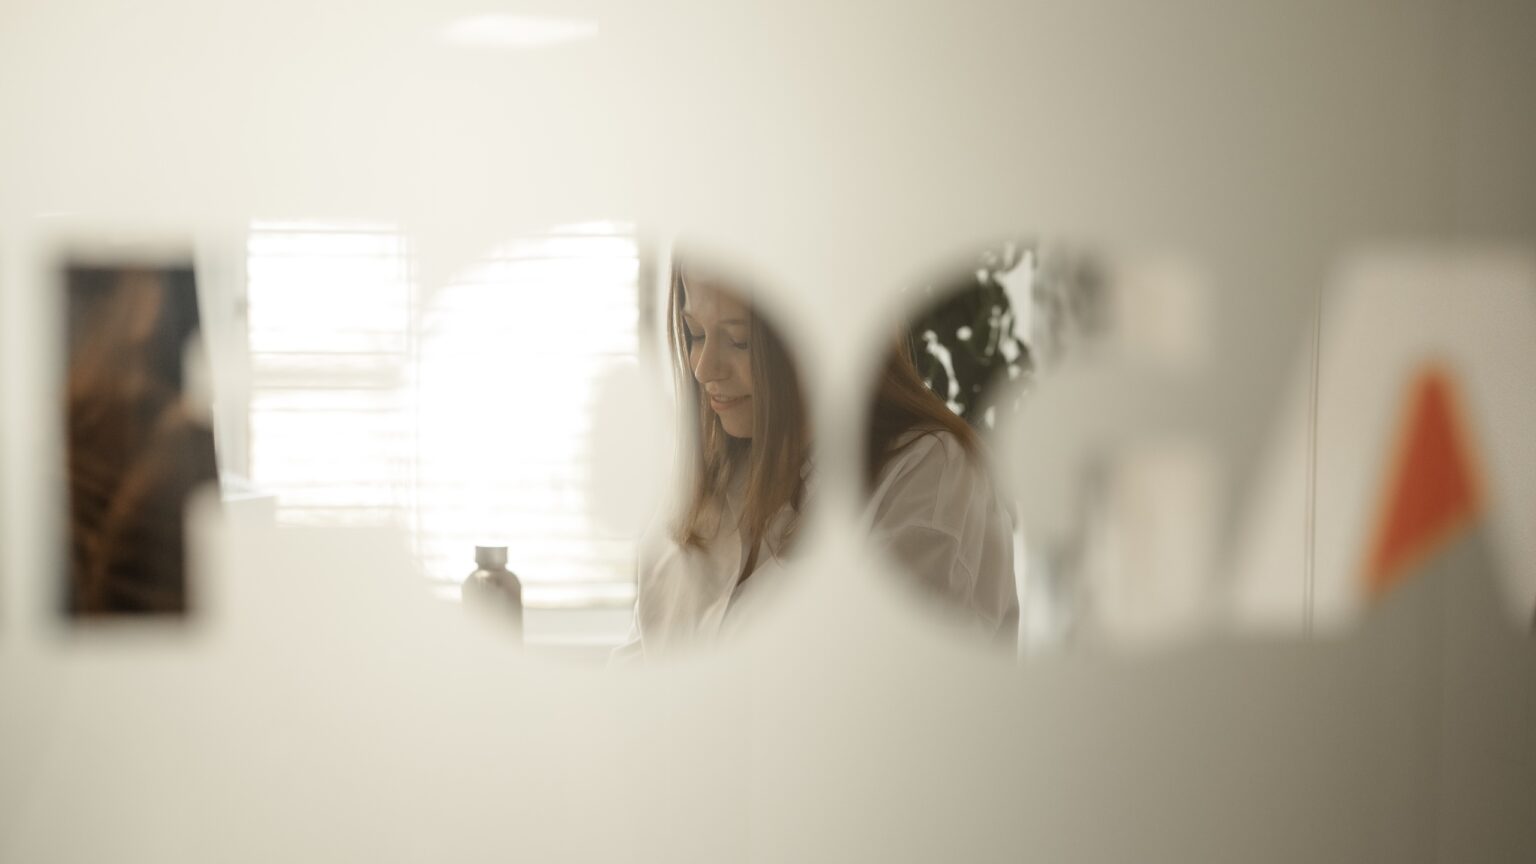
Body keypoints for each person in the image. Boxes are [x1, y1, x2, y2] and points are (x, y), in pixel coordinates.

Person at [615, 256, 1017, 659]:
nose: (703, 369)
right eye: (695, 333)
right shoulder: (705, 478)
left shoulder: (929, 474)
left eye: (740, 340)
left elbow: (889, 684)